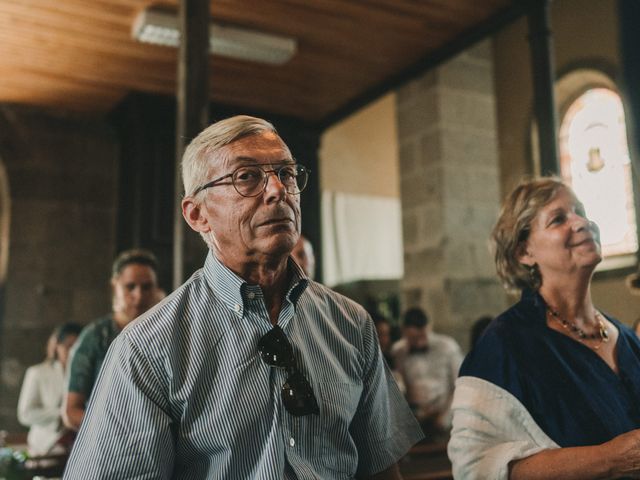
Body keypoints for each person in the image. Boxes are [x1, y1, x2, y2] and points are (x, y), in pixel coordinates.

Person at [63, 115, 423, 479]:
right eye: (247, 177)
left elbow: (380, 467)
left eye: (287, 173)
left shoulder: (350, 322)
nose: (277, 190)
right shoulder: (148, 348)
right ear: (197, 214)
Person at [448, 177, 640, 479]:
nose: (582, 222)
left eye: (581, 210)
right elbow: (475, 465)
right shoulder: (506, 344)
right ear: (524, 253)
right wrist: (609, 459)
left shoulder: (627, 338)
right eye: (558, 219)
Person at [62, 248, 161, 432]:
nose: (138, 295)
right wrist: (117, 431)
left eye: (147, 287)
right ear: (115, 286)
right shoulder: (95, 337)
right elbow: (71, 411)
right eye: (130, 286)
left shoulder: (164, 332)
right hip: (108, 444)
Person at [391, 307, 463, 438]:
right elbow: (401, 385)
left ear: (429, 327)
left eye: (421, 336)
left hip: (446, 416)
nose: (418, 342)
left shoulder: (447, 347)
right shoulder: (398, 351)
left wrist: (444, 418)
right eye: (412, 338)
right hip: (416, 419)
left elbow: (460, 385)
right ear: (404, 333)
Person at [17, 322, 82, 455]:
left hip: (78, 445)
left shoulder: (85, 375)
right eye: (68, 346)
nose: (72, 352)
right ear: (57, 346)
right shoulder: (38, 373)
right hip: (46, 445)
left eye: (78, 347)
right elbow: (25, 414)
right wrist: (62, 414)